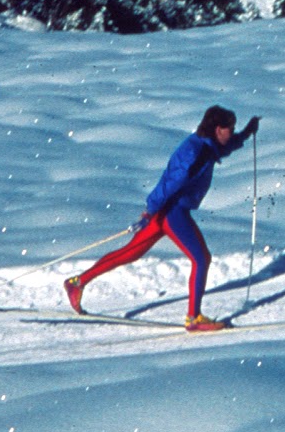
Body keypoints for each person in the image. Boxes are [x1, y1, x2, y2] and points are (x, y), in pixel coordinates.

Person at [65, 105, 259, 332]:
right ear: (218, 129)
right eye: (230, 128)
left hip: (166, 211)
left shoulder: (205, 146)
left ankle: (77, 283)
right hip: (172, 211)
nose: (231, 132)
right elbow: (172, 182)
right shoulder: (196, 152)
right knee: (201, 259)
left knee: (131, 252)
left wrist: (245, 133)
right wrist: (150, 210)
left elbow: (221, 149)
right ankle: (194, 318)